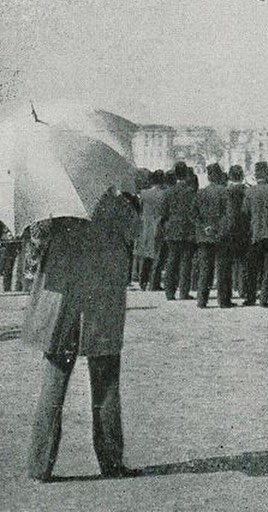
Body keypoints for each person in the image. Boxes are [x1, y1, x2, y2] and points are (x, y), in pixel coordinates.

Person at [22, 190, 140, 482]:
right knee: (106, 382)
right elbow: (135, 233)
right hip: (102, 301)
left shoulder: (52, 205)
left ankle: (40, 466)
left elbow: (33, 254)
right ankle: (111, 463)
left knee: (54, 380)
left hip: (63, 303)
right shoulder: (118, 204)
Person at [241, 161, 268, 307]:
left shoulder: (249, 192)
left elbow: (245, 212)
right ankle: (264, 298)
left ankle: (250, 297)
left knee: (252, 267)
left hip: (255, 233)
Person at [192, 163, 231, 308]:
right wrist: (218, 229)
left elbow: (194, 214)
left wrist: (205, 227)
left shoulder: (201, 193)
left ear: (208, 177)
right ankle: (223, 300)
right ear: (220, 176)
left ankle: (202, 300)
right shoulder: (225, 192)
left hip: (204, 235)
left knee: (205, 269)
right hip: (221, 236)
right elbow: (229, 216)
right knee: (222, 270)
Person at [159, 161, 197, 301]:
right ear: (186, 174)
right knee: (186, 262)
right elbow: (194, 212)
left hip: (172, 229)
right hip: (187, 229)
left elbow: (163, 213)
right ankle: (184, 291)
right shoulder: (191, 192)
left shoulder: (169, 192)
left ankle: (170, 292)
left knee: (172, 260)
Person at [222, 164, 250, 304]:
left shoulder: (225, 191)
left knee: (229, 261)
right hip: (244, 228)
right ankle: (242, 288)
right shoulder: (247, 190)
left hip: (228, 229)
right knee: (243, 261)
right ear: (242, 176)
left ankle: (232, 286)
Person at [135, 169, 165, 291]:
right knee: (157, 255)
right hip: (158, 225)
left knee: (145, 254)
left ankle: (142, 281)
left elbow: (140, 209)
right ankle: (154, 283)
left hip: (145, 226)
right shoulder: (164, 194)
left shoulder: (144, 193)